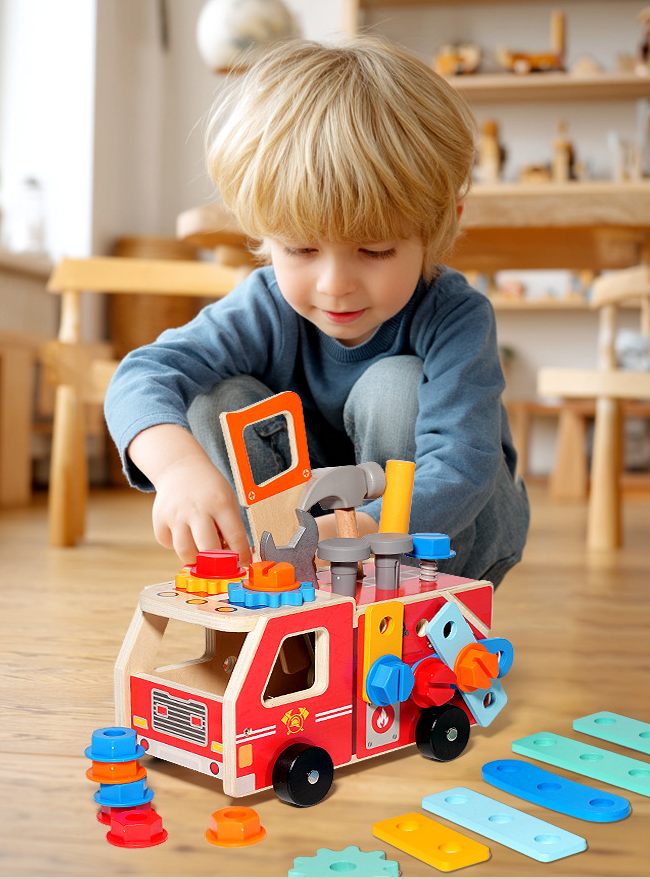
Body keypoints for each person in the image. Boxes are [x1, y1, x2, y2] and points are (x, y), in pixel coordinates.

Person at [104, 36, 530, 587]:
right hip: (317, 536)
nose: (335, 286)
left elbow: (461, 467)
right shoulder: (264, 306)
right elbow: (142, 374)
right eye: (301, 249)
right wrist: (178, 470)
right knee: (216, 399)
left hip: (454, 534)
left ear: (439, 225)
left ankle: (388, 592)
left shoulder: (455, 315)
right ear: (265, 234)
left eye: (375, 250)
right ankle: (281, 579)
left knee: (394, 386)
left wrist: (363, 535)